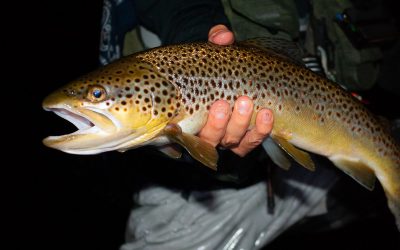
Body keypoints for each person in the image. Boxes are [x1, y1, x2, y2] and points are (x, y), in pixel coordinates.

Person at [99, 1, 340, 249]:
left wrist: (202, 57)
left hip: (231, 182)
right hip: (177, 180)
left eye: (97, 96)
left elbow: (184, 11)